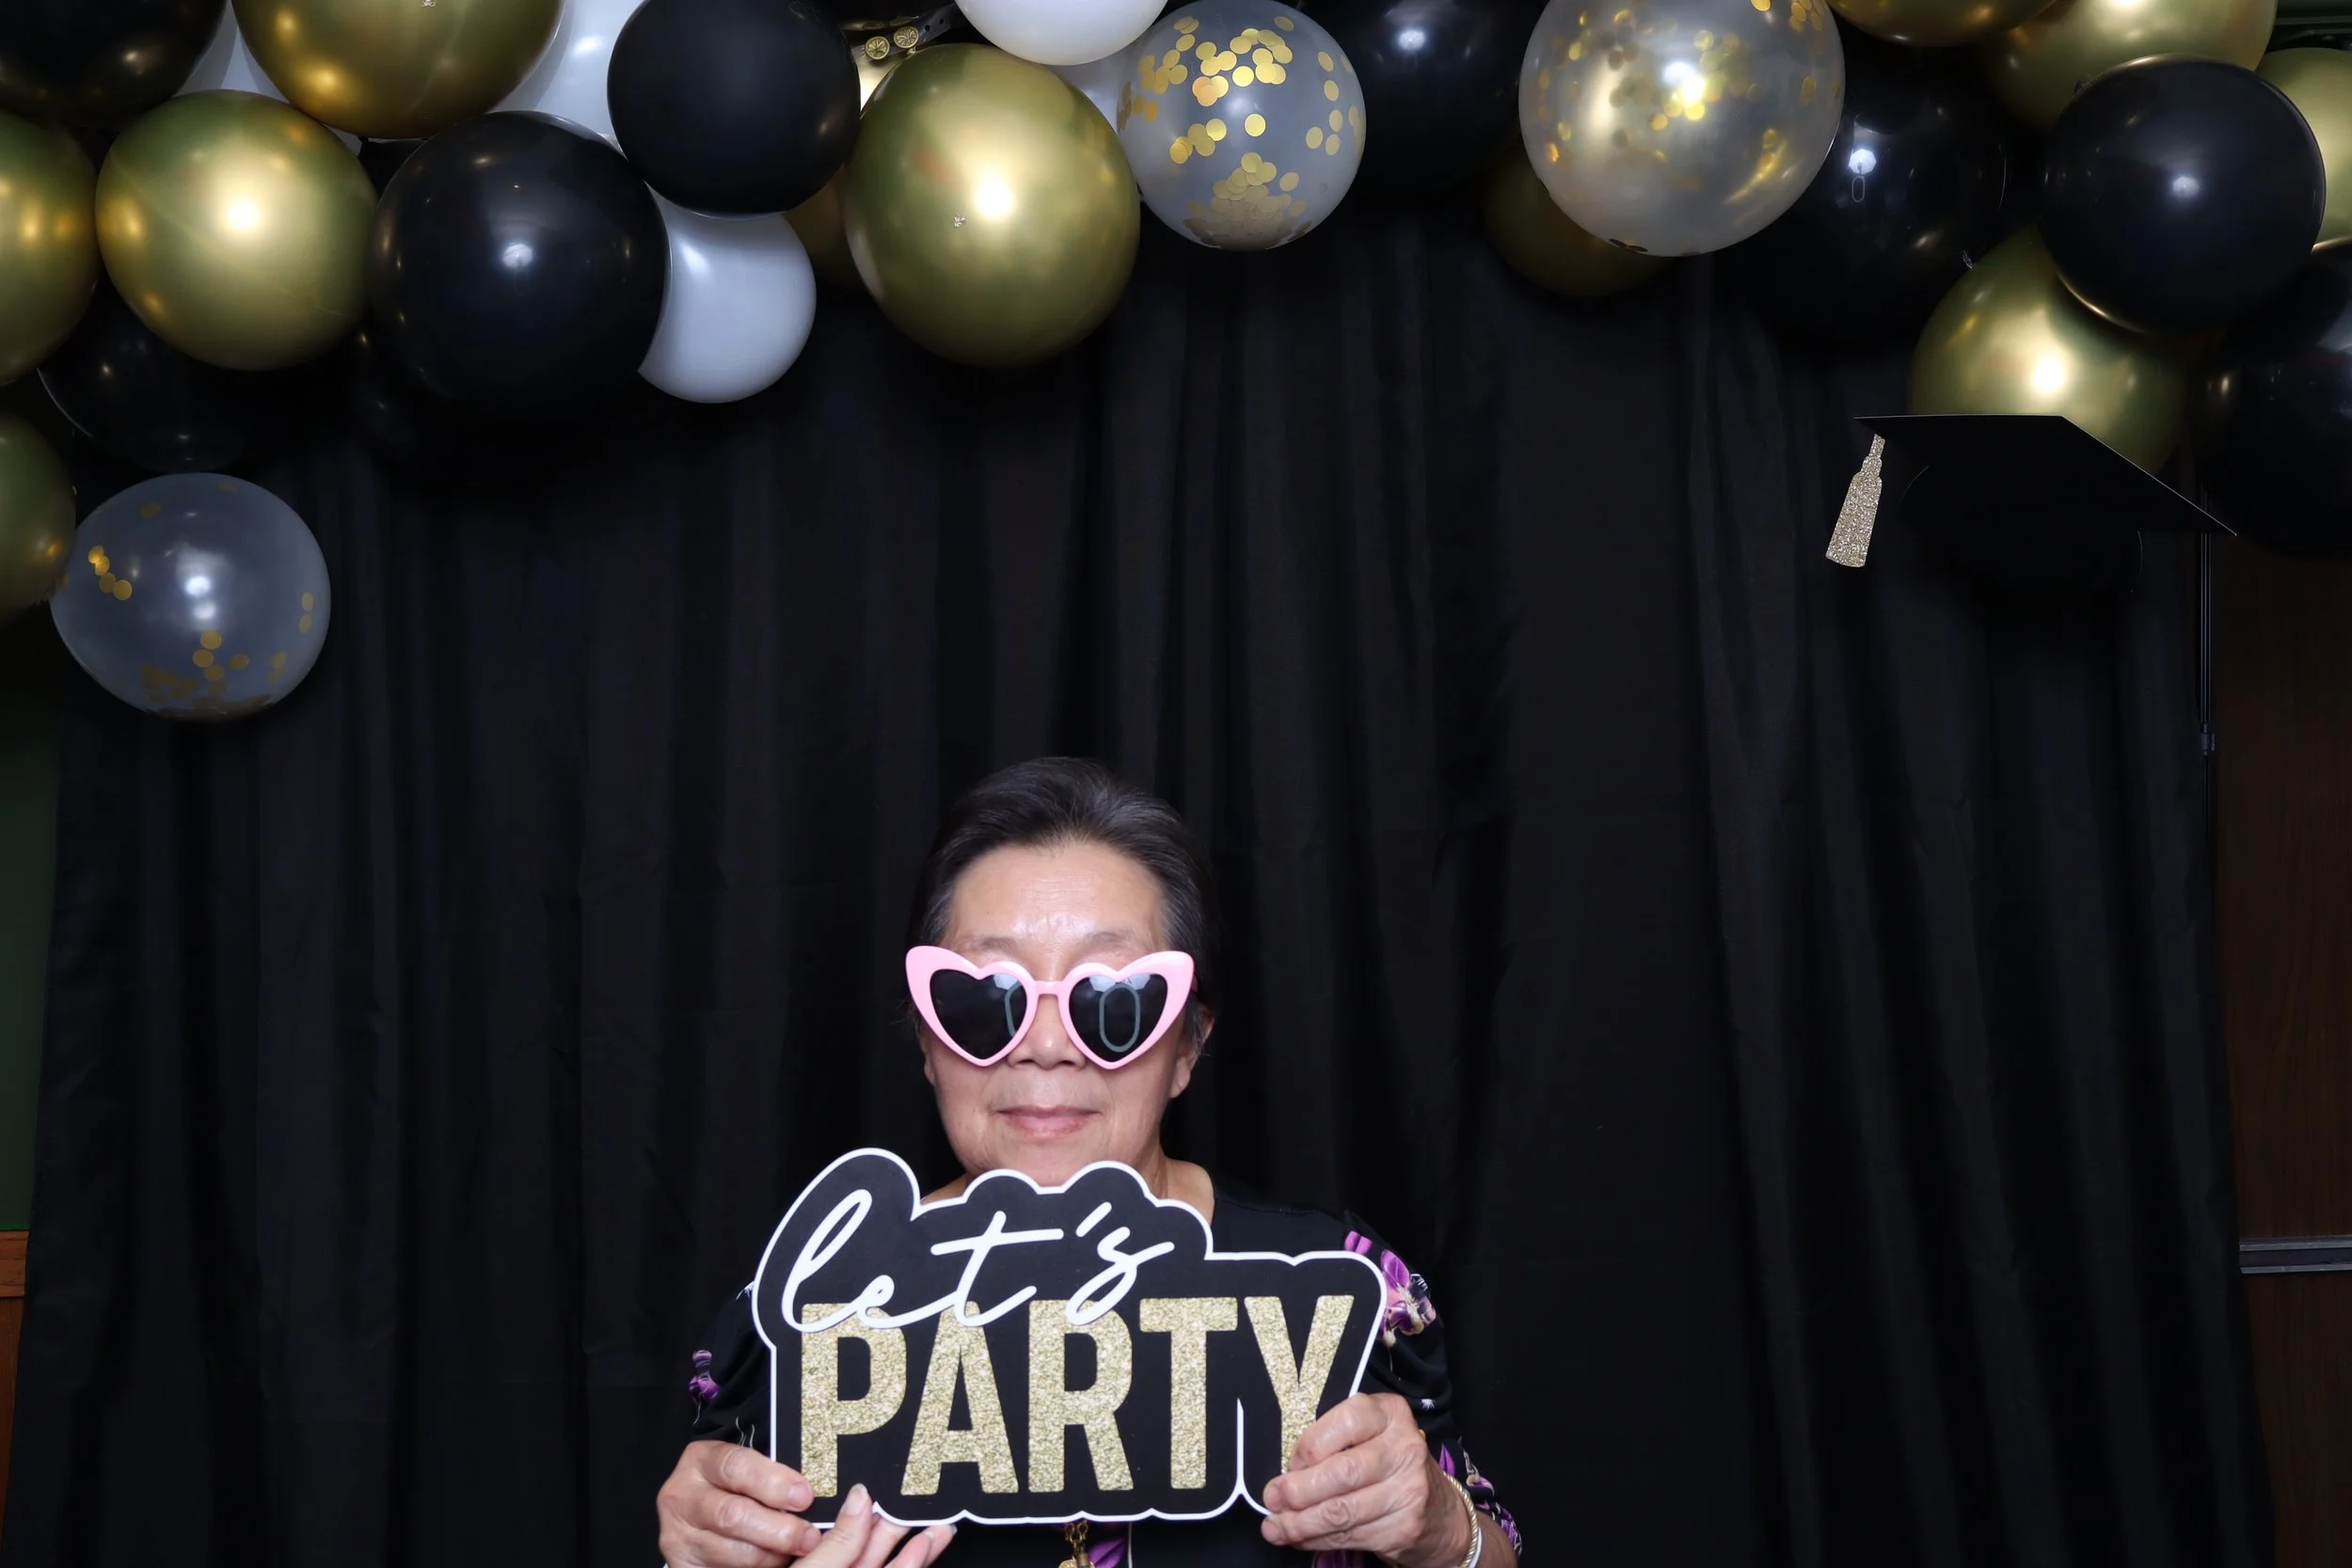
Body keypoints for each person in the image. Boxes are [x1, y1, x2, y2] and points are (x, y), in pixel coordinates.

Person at [657, 758, 1520, 1568]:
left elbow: (1488, 1547)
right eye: (984, 997)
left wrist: (1444, 1532)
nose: (1044, 1045)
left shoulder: (1340, 1287)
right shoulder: (807, 1309)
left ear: (1187, 1044)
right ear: (927, 1040)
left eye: (1114, 1000)